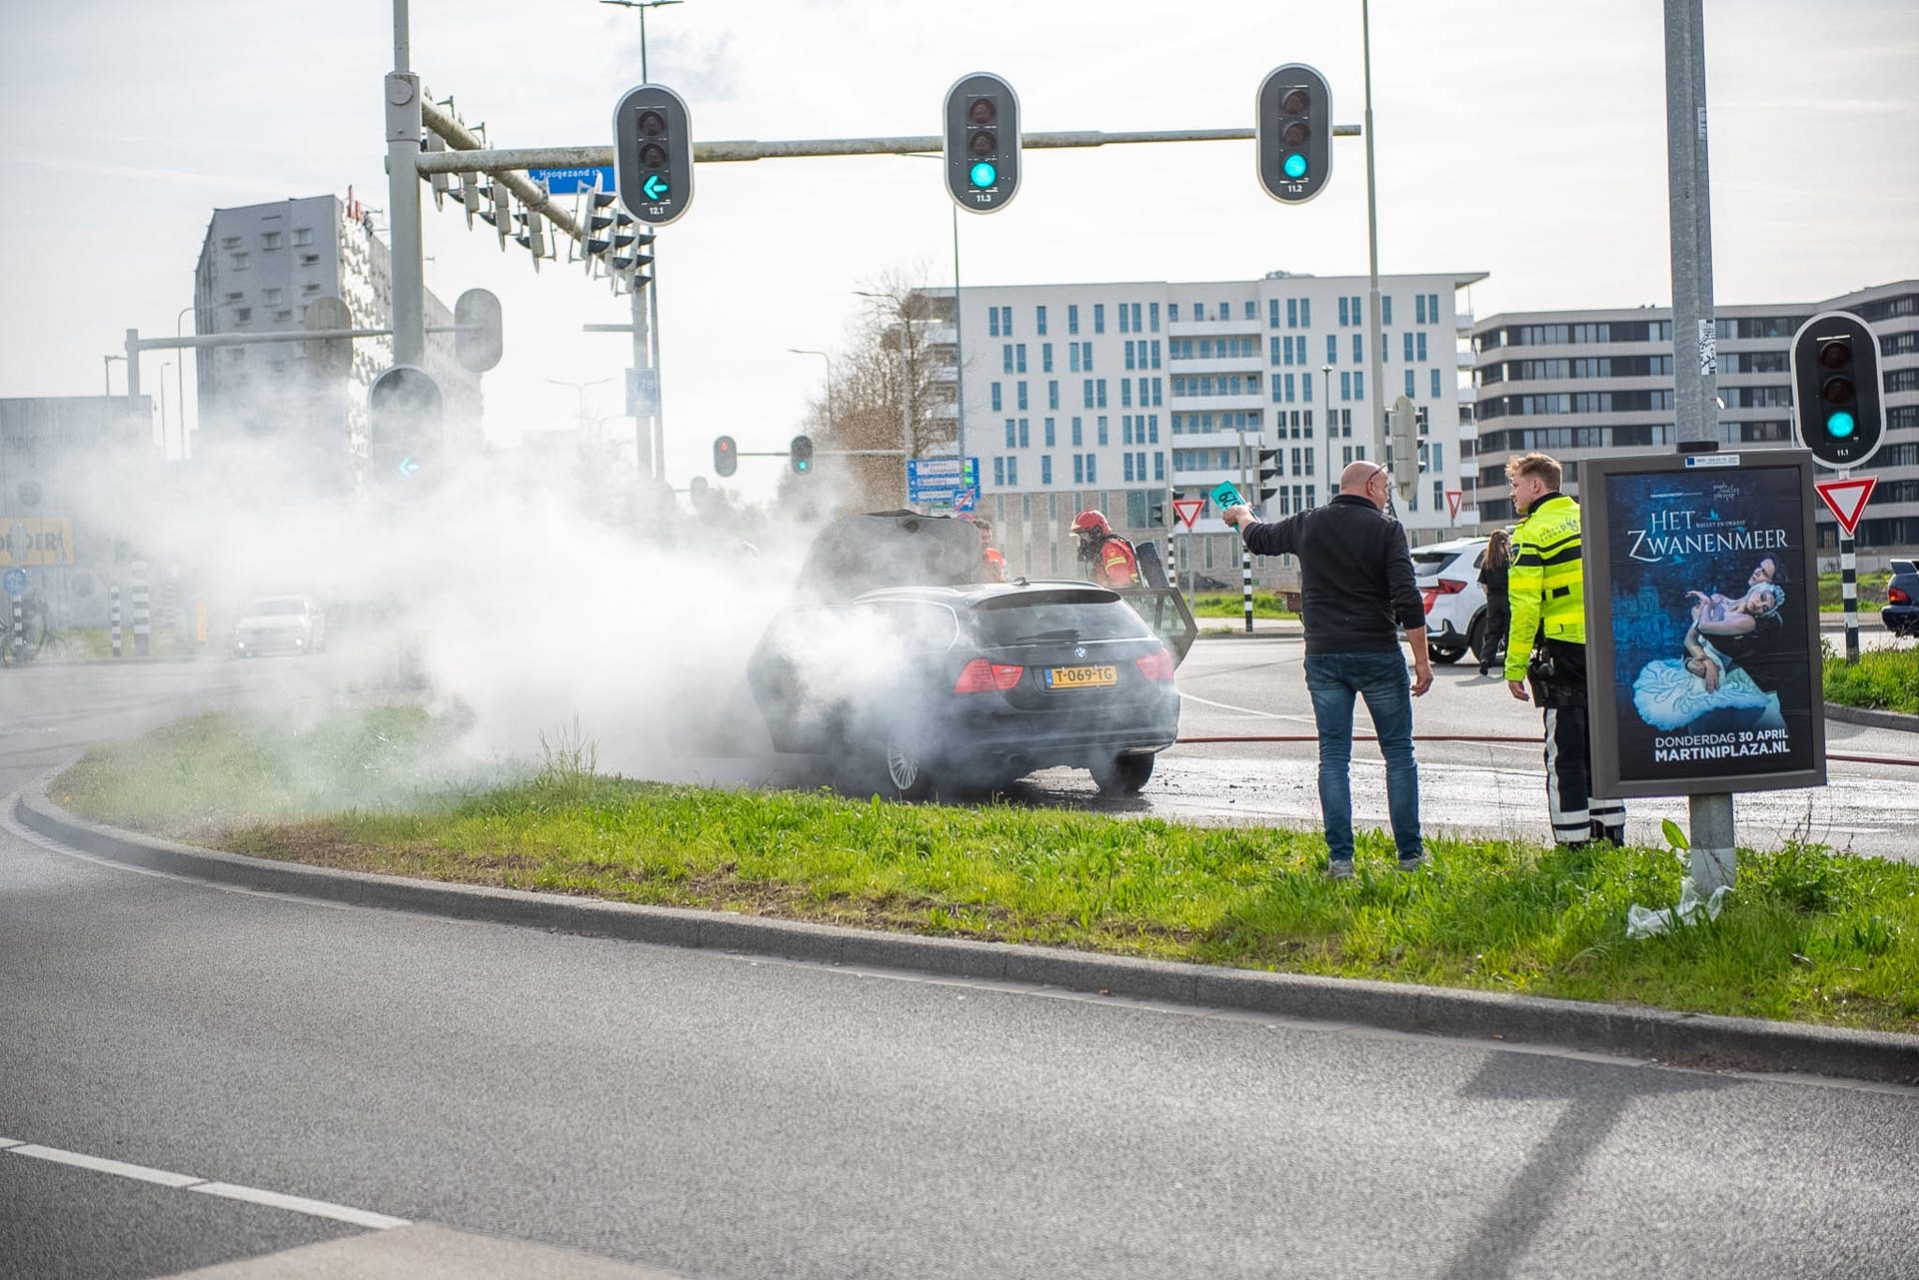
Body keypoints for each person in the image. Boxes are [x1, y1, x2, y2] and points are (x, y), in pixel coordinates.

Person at [1222, 461, 1434, 877]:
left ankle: (1341, 861)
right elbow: (1407, 597)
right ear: (1371, 485)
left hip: (1323, 656)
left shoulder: (1308, 523)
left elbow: (1259, 539)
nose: (1388, 493)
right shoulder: (1387, 530)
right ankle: (1409, 856)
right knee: (1398, 754)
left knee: (1334, 757)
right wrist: (1422, 662)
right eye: (1386, 486)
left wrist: (1242, 512)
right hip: (1377, 653)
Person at [1502, 451, 1626, 847]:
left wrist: (1514, 665)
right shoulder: (1591, 517)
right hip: (1606, 649)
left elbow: (1524, 608)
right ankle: (1610, 835)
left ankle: (1574, 842)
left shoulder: (1530, 533)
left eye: (1516, 485)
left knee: (1566, 753)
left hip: (1563, 652)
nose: (1513, 494)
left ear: (1536, 485)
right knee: (1603, 747)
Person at [1071, 510, 1141, 588]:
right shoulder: (1100, 552)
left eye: (1084, 536)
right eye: (1080, 537)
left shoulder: (1111, 549)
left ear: (1096, 532)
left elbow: (1121, 585)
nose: (1083, 541)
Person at [1477, 528, 1513, 676]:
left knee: (1492, 633)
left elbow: (1483, 584)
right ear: (1503, 543)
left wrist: (1490, 597)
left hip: (1492, 600)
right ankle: (1508, 666)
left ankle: (1485, 659)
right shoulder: (1508, 562)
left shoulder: (1487, 562)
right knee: (1509, 632)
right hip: (1507, 599)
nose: (1510, 545)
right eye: (1509, 542)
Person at [974, 516, 1006, 583]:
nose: (987, 541)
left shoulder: (995, 555)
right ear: (972, 538)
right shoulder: (964, 560)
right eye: (983, 538)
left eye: (989, 537)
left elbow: (1003, 581)